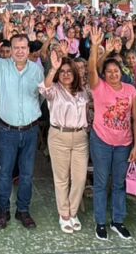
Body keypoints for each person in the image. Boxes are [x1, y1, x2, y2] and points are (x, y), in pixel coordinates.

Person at [0, 21, 44, 230]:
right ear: (11, 50)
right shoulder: (0, 67)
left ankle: (23, 210)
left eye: (24, 48)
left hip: (31, 130)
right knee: (5, 172)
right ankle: (3, 210)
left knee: (26, 174)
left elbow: (40, 98)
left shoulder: (36, 71)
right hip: (7, 131)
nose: (20, 51)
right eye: (16, 48)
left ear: (28, 49)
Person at [86, 26, 136, 240]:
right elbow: (91, 71)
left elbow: (135, 118)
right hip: (101, 140)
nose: (113, 74)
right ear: (105, 74)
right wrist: (96, 49)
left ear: (121, 71)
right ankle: (100, 222)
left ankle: (118, 220)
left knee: (118, 183)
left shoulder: (130, 90)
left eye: (115, 71)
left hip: (124, 143)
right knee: (100, 182)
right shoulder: (98, 87)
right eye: (108, 72)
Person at [39, 47, 89, 233]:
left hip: (80, 137)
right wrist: (53, 68)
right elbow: (44, 88)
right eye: (63, 72)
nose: (66, 75)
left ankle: (73, 211)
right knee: (62, 178)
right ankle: (64, 214)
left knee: (79, 178)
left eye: (69, 71)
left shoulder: (82, 91)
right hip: (59, 135)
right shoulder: (54, 90)